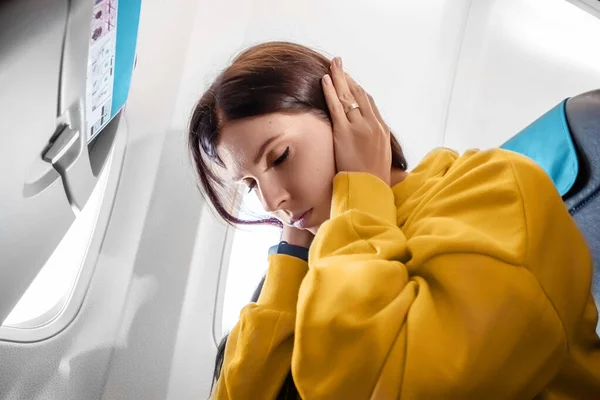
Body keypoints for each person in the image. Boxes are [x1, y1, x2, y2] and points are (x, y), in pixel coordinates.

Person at [187, 41, 600, 399]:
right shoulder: (319, 260)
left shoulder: (496, 188)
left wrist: (361, 191)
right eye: (251, 185)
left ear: (344, 115)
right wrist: (294, 252)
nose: (274, 199)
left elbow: (386, 386)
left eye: (280, 157)